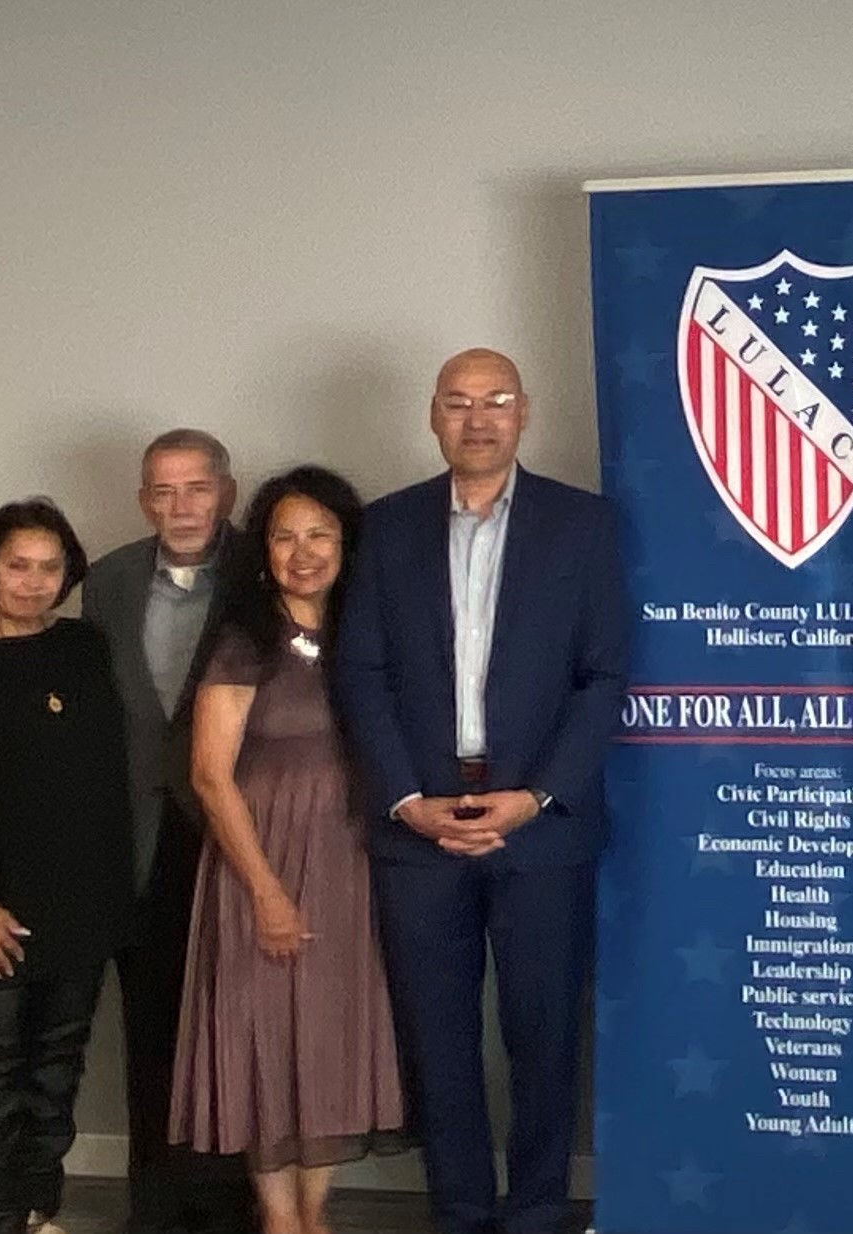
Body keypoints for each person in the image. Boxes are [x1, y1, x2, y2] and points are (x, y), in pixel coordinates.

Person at [334, 349, 628, 1234]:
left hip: (541, 829)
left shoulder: (584, 525)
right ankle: (459, 1211)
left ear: (524, 412)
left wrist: (538, 795)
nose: (478, 418)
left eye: (495, 401)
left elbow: (605, 674)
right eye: (458, 403)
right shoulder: (384, 528)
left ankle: (538, 1210)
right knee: (438, 1041)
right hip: (416, 825)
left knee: (544, 1037)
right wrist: (404, 799)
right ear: (432, 416)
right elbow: (361, 670)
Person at [170, 466, 405, 1234]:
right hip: (260, 860)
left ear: (347, 545)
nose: (303, 552)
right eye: (284, 536)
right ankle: (277, 1219)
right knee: (265, 1038)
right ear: (262, 549)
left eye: (320, 535)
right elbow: (209, 775)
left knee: (328, 1038)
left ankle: (315, 1215)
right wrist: (266, 891)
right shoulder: (246, 637)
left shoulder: (367, 633)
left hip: (347, 862)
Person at [0, 499, 135, 1234]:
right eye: (18, 566)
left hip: (85, 895)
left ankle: (40, 1207)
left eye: (50, 568)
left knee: (58, 1066)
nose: (35, 582)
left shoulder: (83, 646)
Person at [84, 429, 254, 1234]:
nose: (179, 506)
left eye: (195, 487)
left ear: (227, 489)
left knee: (237, 1028)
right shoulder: (109, 579)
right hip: (139, 837)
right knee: (149, 1030)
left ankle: (229, 1203)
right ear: (142, 498)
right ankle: (153, 1206)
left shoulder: (267, 566)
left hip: (240, 831)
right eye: (161, 490)